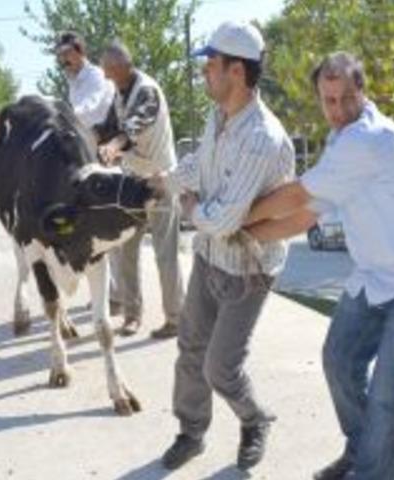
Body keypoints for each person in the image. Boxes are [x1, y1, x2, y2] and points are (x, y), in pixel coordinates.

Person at [244, 52, 394, 480]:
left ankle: (370, 471)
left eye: (347, 97)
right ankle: (362, 452)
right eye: (329, 101)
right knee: (339, 360)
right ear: (319, 99)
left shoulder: (371, 139)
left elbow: (293, 196)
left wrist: (235, 215)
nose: (338, 110)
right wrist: (248, 235)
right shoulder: (340, 145)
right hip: (375, 276)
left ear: (363, 92)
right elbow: (307, 215)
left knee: (388, 400)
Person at [155, 21, 295, 472]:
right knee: (190, 347)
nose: (204, 73)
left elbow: (223, 220)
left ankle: (255, 419)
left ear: (236, 71)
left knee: (221, 368)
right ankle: (191, 432)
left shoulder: (260, 137)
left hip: (248, 269)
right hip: (209, 259)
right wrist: (159, 184)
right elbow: (197, 166)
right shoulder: (220, 119)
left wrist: (191, 205)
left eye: (210, 64)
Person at [94, 41, 185, 339]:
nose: (106, 77)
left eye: (109, 71)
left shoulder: (147, 91)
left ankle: (175, 318)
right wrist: (93, 138)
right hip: (133, 180)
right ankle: (132, 316)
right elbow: (108, 127)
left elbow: (133, 127)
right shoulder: (119, 94)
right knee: (124, 250)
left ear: (122, 66)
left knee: (165, 254)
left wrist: (114, 145)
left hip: (160, 180)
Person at [54, 31, 115, 132]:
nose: (64, 59)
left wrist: (61, 117)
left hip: (107, 134)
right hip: (88, 135)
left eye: (67, 53)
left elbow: (88, 110)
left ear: (81, 52)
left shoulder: (95, 75)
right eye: (60, 54)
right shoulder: (73, 80)